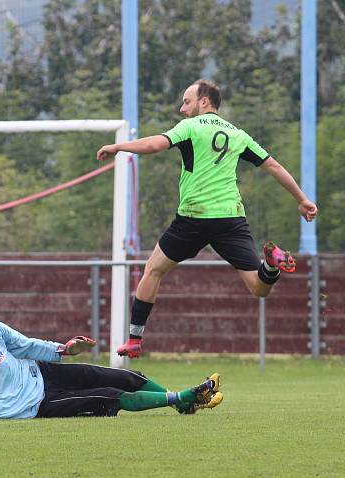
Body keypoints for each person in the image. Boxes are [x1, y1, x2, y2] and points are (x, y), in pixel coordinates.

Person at [97, 79, 318, 358]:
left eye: (187, 102)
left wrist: (120, 147)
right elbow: (272, 165)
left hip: (194, 217)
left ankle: (134, 340)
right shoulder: (237, 134)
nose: (182, 109)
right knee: (259, 287)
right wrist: (302, 199)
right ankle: (271, 264)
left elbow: (155, 144)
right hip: (230, 218)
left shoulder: (190, 127)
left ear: (204, 102)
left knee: (153, 270)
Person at [0, 302, 222, 423]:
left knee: (124, 375)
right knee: (108, 395)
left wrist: (65, 350)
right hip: (34, 405)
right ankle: (183, 398)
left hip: (42, 372)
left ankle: (182, 405)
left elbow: (26, 345)